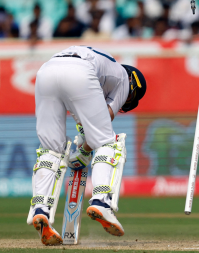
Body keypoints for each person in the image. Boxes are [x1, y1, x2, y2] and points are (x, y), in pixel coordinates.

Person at [28, 46, 146, 245]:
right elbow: (102, 126)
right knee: (108, 143)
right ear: (134, 89)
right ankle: (101, 201)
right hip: (79, 71)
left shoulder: (102, 74)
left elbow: (83, 125)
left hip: (46, 71)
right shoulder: (125, 80)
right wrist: (84, 151)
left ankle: (40, 210)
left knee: (50, 150)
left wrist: (82, 150)